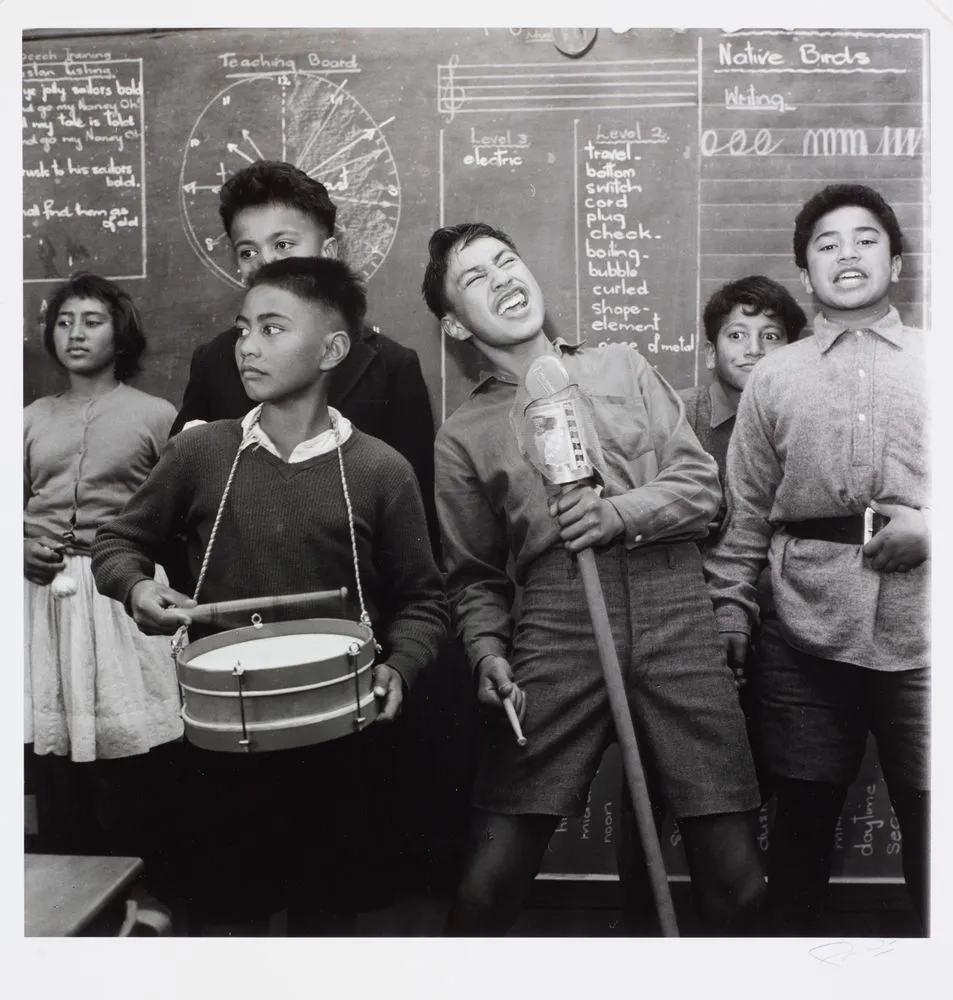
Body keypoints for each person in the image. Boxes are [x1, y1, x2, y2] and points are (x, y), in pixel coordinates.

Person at [423, 222, 766, 936]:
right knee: (489, 880)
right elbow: (475, 576)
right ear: (454, 324)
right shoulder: (463, 433)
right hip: (556, 622)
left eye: (506, 261)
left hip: (676, 604)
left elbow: (702, 489)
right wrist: (488, 652)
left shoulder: (621, 365)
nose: (503, 279)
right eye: (476, 279)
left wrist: (615, 515)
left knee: (735, 877)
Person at [92, 257, 447, 935]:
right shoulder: (203, 454)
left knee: (325, 930)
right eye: (242, 328)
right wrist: (135, 586)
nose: (246, 345)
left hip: (342, 744)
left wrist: (400, 667)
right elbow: (116, 543)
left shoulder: (379, 469)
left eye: (272, 328)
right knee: (230, 925)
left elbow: (424, 601)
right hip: (225, 748)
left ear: (332, 349)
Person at [703, 184, 929, 935]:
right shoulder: (774, 376)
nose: (846, 255)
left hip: (927, 638)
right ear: (805, 275)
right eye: (825, 245)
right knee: (798, 829)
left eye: (864, 239)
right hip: (801, 635)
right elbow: (743, 516)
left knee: (936, 832)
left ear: (894, 261)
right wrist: (731, 617)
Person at [169, 159, 438, 551]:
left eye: (282, 244)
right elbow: (174, 499)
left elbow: (418, 523)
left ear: (329, 251)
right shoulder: (216, 361)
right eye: (247, 252)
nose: (265, 263)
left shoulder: (391, 366)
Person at [24, 272, 182, 904]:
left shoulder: (155, 416)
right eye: (64, 321)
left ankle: (148, 902)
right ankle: (71, 906)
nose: (75, 333)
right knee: (57, 759)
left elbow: (181, 511)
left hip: (123, 595)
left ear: (120, 333)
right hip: (42, 599)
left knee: (133, 755)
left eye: (91, 320)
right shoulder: (30, 418)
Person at [679, 276, 807, 801]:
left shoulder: (802, 417)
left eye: (771, 336)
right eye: (737, 335)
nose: (753, 350)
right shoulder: (680, 416)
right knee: (673, 774)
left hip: (784, 621)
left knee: (781, 774)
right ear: (712, 352)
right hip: (689, 620)